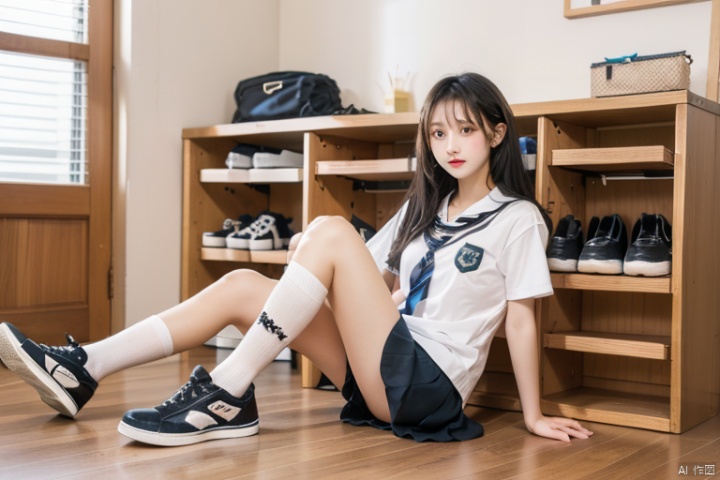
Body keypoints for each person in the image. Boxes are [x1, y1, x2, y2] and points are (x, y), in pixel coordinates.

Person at [0, 72, 593, 446]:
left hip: (428, 386)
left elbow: (520, 320)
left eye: (463, 131)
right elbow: (351, 274)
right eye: (437, 135)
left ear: (495, 134)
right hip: (382, 369)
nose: (449, 146)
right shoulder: (423, 208)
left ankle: (229, 388)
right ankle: (84, 368)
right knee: (241, 284)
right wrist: (372, 297)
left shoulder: (518, 219)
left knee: (330, 230)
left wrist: (535, 416)